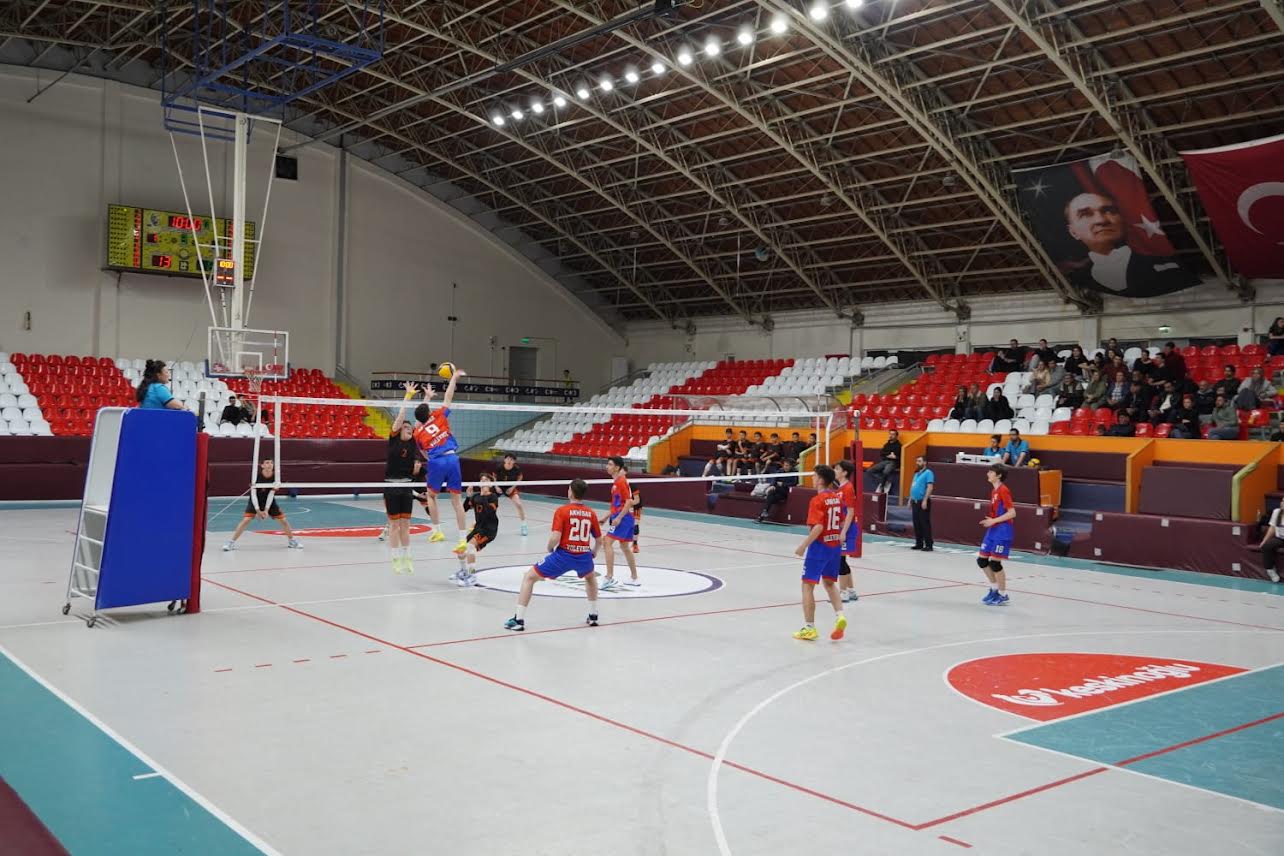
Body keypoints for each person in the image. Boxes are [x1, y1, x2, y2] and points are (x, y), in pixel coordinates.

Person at [504, 479, 602, 632]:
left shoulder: (562, 511)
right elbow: (599, 539)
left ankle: (519, 619)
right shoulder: (591, 513)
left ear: (570, 492)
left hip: (563, 556)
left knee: (529, 577)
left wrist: (550, 548)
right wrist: (594, 551)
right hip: (584, 555)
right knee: (590, 577)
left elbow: (555, 537)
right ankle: (593, 615)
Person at [1062, 192, 1199, 296]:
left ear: (1122, 219)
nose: (1101, 220)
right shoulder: (1074, 280)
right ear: (1073, 232)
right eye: (1085, 214)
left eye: (1109, 211)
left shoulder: (1169, 265)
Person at [412, 368, 468, 550]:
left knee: (430, 495)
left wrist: (426, 398)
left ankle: (437, 531)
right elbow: (448, 397)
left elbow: (423, 449)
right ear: (429, 412)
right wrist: (454, 378)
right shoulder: (439, 416)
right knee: (456, 501)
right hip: (452, 459)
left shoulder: (417, 433)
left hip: (436, 461)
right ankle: (462, 539)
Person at [791, 465, 847, 641]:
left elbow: (818, 527)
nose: (812, 478)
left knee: (807, 585)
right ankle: (840, 616)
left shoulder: (817, 500)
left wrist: (803, 546)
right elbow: (841, 521)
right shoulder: (837, 498)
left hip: (819, 547)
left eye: (814, 476)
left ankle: (809, 628)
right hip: (834, 547)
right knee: (829, 583)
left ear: (821, 480)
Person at [222, 459, 302, 551]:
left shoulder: (276, 477)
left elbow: (271, 494)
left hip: (269, 500)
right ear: (262, 465)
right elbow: (253, 494)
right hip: (255, 499)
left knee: (283, 521)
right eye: (267, 463)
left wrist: (266, 510)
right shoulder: (256, 477)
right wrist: (257, 510)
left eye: (271, 463)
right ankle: (231, 543)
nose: (270, 464)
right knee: (246, 520)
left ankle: (292, 541)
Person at [384, 382, 422, 575]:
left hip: (406, 487)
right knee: (394, 525)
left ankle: (407, 557)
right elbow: (400, 417)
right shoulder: (394, 439)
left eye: (410, 427)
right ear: (399, 430)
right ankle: (395, 558)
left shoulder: (413, 442)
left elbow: (421, 419)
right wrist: (407, 396)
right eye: (405, 427)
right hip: (391, 486)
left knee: (406, 525)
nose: (408, 428)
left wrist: (427, 398)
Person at [599, 456, 640, 590]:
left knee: (607, 542)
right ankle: (634, 578)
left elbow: (628, 502)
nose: (607, 466)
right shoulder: (616, 482)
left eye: (610, 464)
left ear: (617, 467)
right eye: (607, 464)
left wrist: (619, 518)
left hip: (624, 517)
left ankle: (609, 577)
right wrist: (606, 518)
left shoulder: (621, 482)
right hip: (625, 517)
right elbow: (617, 505)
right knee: (624, 547)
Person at [978, 464, 1016, 605]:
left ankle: (1003, 594)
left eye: (991, 472)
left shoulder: (1003, 490)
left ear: (999, 475)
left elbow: (1012, 513)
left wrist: (994, 521)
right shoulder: (994, 491)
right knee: (982, 561)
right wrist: (991, 520)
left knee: (995, 563)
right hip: (993, 529)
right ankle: (994, 589)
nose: (988, 473)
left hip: (1003, 531)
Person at [453, 473, 500, 587]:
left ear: (491, 484)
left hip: (489, 530)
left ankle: (472, 575)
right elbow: (464, 509)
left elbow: (489, 511)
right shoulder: (475, 497)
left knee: (470, 547)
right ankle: (464, 571)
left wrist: (484, 495)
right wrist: (468, 497)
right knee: (461, 550)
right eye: (482, 480)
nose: (483, 482)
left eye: (486, 480)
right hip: (478, 528)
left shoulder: (493, 497)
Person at [834, 459, 860, 603]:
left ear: (844, 472)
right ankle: (851, 591)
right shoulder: (840, 488)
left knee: (840, 560)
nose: (835, 471)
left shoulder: (848, 488)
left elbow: (851, 512)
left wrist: (843, 531)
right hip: (842, 527)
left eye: (837, 469)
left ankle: (843, 592)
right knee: (842, 560)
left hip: (847, 529)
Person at [496, 452, 529, 536]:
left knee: (519, 504)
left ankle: (524, 525)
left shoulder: (516, 469)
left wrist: (512, 488)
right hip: (499, 487)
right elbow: (494, 477)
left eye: (511, 459)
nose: (509, 461)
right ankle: (477, 524)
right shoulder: (499, 467)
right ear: (504, 460)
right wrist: (496, 487)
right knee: (487, 503)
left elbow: (520, 478)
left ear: (514, 462)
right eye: (508, 459)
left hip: (510, 488)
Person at [909, 455, 934, 552]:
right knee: (916, 523)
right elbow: (913, 487)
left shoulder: (928, 473)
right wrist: (910, 499)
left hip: (922, 501)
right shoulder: (916, 474)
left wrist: (925, 500)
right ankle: (919, 543)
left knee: (924, 523)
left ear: (924, 462)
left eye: (919, 461)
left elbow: (930, 487)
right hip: (915, 501)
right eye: (917, 461)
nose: (917, 463)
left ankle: (929, 544)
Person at [1257, 496, 1284, 583]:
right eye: (1282, 501)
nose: (1282, 503)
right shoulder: (1276, 512)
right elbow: (1272, 528)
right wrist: (1264, 541)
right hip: (1280, 538)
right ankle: (1270, 570)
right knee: (1267, 546)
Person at [867, 429, 901, 494]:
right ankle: (885, 482)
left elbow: (898, 457)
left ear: (896, 436)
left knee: (885, 472)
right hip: (885, 461)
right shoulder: (886, 445)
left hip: (893, 463)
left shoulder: (899, 446)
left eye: (893, 434)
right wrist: (889, 455)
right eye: (890, 434)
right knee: (869, 471)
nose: (891, 436)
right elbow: (882, 453)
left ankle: (882, 486)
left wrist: (894, 457)